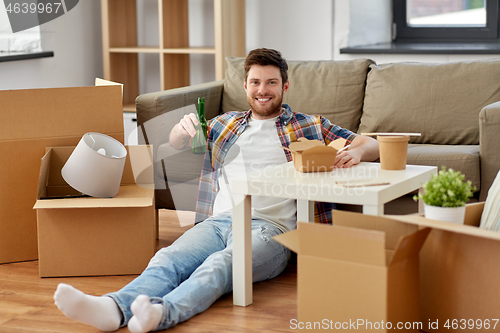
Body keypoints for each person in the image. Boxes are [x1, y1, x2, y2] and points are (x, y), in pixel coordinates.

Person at [53, 48, 379, 332]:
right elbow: (178, 146)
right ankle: (114, 309)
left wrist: (358, 151)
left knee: (220, 266)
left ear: (285, 86)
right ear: (245, 86)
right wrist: (180, 133)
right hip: (220, 222)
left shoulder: (309, 125)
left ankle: (161, 313)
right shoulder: (225, 124)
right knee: (168, 258)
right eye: (255, 82)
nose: (262, 90)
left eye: (271, 82)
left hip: (272, 231)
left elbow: (371, 143)